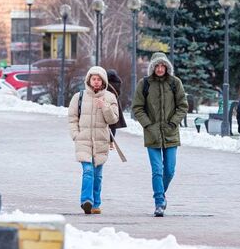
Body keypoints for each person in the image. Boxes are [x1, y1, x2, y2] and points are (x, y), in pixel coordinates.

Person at [132, 52, 188, 217]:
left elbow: (183, 106)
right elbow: (137, 107)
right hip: (152, 134)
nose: (160, 68)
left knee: (169, 170)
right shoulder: (145, 84)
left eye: (163, 66)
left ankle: (160, 194)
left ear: (167, 67)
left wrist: (173, 122)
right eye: (157, 66)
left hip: (171, 133)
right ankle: (159, 202)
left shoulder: (175, 83)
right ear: (153, 67)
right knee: (157, 170)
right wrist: (148, 125)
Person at [68, 66, 120, 215]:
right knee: (88, 170)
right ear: (89, 80)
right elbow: (72, 118)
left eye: (99, 79)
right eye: (94, 79)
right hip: (83, 140)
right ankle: (86, 201)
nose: (96, 82)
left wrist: (104, 107)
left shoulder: (110, 97)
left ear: (103, 81)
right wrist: (75, 135)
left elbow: (113, 119)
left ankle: (96, 203)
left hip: (100, 141)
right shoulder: (79, 97)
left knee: (97, 173)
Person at [106, 69, 127, 140]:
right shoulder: (118, 82)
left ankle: (109, 139)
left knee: (106, 122)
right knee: (113, 123)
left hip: (106, 103)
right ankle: (111, 140)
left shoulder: (105, 83)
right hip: (115, 104)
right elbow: (119, 93)